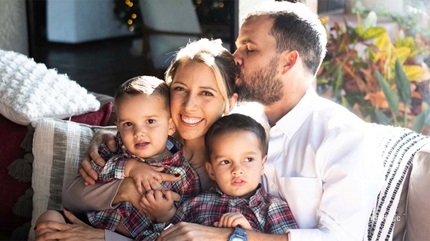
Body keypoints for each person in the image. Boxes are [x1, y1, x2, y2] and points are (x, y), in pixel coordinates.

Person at [36, 2, 385, 241]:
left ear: (288, 61)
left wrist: (230, 236)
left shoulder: (342, 136)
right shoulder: (243, 121)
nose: (236, 58)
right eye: (238, 46)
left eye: (249, 48)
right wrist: (116, 137)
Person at [35, 37, 238, 241]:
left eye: (207, 93)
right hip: (92, 221)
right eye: (180, 89)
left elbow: (176, 232)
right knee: (49, 222)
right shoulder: (138, 142)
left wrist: (103, 237)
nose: (189, 105)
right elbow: (71, 196)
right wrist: (126, 188)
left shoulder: (226, 168)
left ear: (230, 103)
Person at [35, 75, 201, 240]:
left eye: (150, 121)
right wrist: (130, 167)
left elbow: (183, 226)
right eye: (128, 124)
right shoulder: (114, 148)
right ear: (118, 127)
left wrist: (165, 214)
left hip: (130, 236)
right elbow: (92, 176)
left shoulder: (182, 175)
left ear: (170, 125)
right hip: (91, 220)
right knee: (49, 220)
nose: (138, 133)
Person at [165, 113, 298, 235]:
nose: (237, 170)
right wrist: (162, 216)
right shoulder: (194, 204)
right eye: (225, 162)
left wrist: (250, 234)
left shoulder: (272, 208)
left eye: (248, 159)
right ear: (211, 170)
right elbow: (168, 236)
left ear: (263, 164)